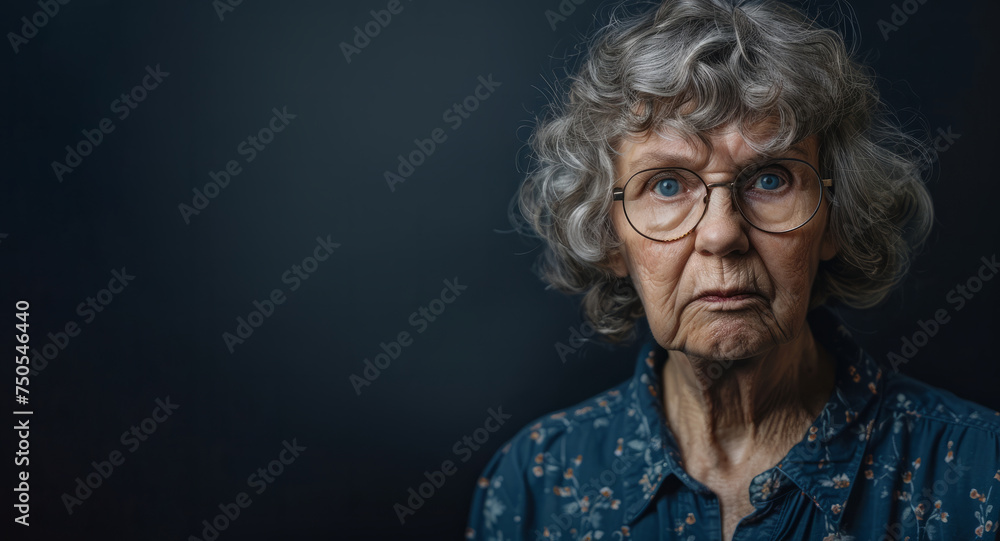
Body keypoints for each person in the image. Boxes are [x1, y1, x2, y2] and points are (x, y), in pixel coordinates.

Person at [465, 1, 1000, 540]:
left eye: (770, 180)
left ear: (835, 220)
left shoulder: (979, 471)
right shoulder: (535, 485)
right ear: (609, 237)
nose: (722, 236)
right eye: (667, 185)